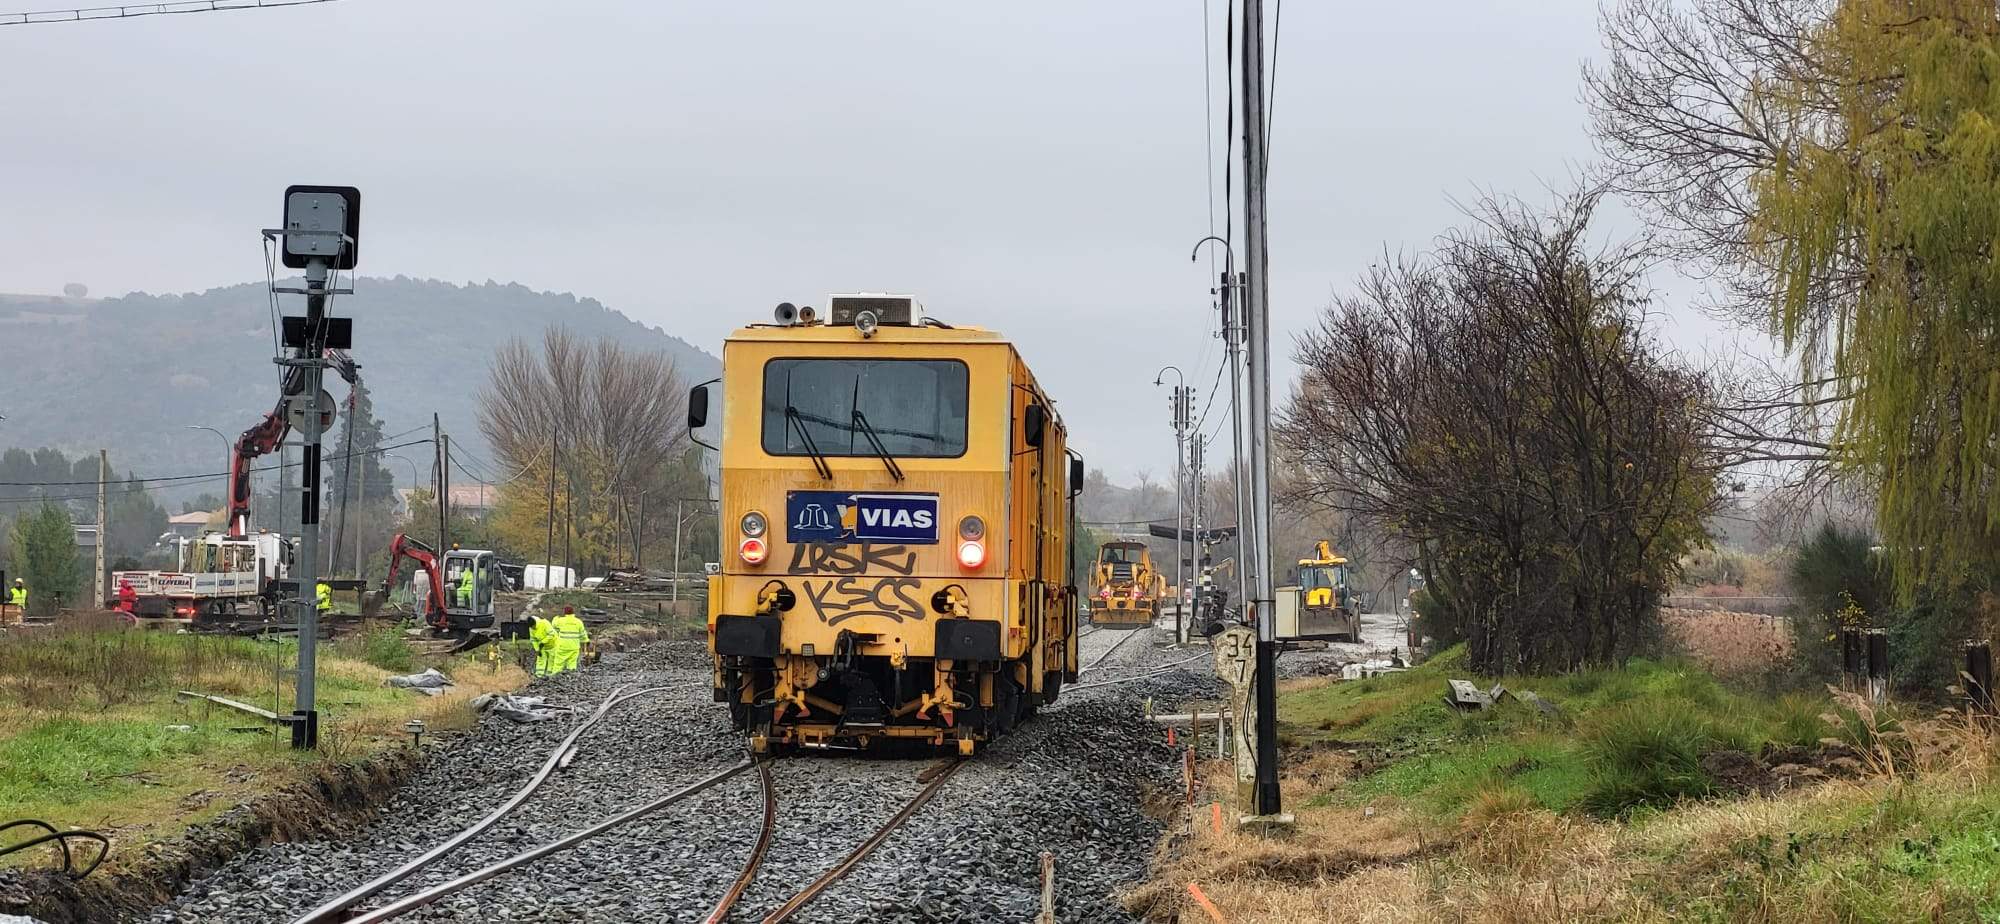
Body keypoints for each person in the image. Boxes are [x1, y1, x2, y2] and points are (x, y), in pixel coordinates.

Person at [547, 605, 590, 675]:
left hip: (562, 646)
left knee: (558, 663)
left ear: (565, 612)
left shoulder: (561, 621)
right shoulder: (578, 622)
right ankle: (570, 678)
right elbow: (582, 634)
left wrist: (556, 617)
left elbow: (553, 624)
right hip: (574, 647)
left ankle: (554, 677)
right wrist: (586, 641)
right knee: (572, 663)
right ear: (573, 612)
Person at [528, 611, 556, 677]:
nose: (532, 628)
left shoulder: (545, 623)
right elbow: (533, 639)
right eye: (531, 627)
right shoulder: (531, 628)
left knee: (551, 660)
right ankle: (539, 675)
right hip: (542, 647)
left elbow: (551, 634)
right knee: (540, 660)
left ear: (535, 623)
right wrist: (537, 649)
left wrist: (543, 642)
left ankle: (550, 676)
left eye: (533, 627)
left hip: (552, 644)